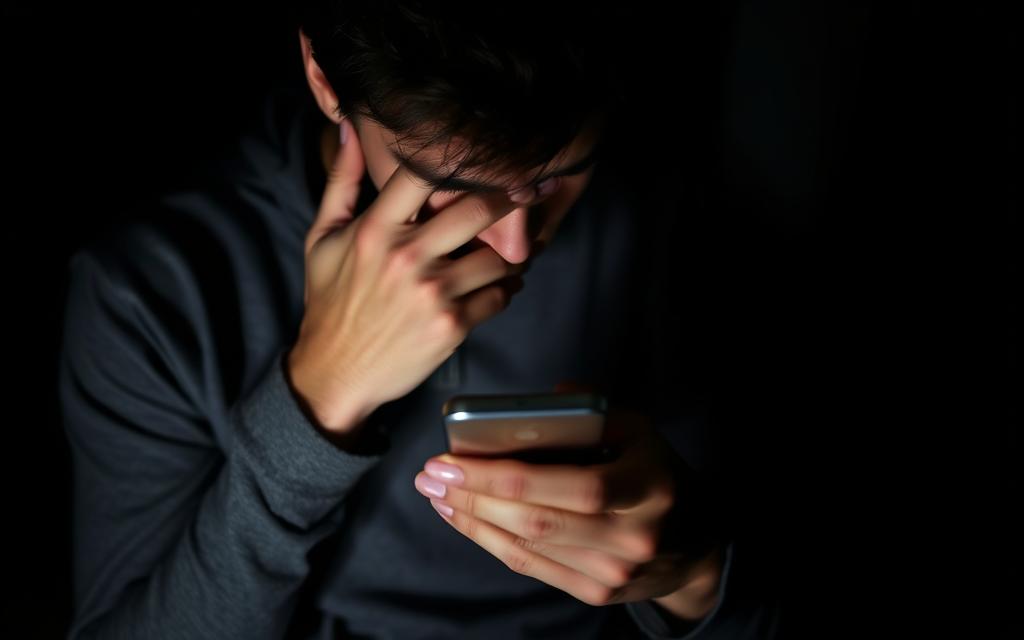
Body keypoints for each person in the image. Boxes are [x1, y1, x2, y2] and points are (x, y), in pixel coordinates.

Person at [58, 1, 782, 638]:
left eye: (561, 174)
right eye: (455, 189)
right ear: (325, 79)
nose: (515, 246)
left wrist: (696, 578)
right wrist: (314, 402)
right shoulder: (151, 290)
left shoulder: (666, 220)